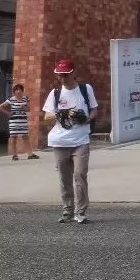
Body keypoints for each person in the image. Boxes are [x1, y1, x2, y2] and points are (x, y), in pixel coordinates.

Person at [41, 58, 98, 223]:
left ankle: (80, 211)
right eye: (59, 75)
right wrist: (62, 114)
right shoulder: (55, 93)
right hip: (60, 142)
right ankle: (67, 210)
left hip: (81, 140)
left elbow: (94, 110)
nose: (62, 78)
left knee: (80, 174)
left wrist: (87, 118)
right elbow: (46, 117)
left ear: (73, 73)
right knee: (64, 178)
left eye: (65, 74)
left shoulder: (85, 89)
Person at [0, 83, 36, 160]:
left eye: (20, 89)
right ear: (14, 91)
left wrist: (24, 107)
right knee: (14, 137)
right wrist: (8, 113)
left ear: (22, 91)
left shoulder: (26, 98)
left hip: (23, 121)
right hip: (14, 121)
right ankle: (14, 155)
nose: (18, 91)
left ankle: (30, 154)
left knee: (25, 137)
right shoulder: (11, 99)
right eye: (16, 90)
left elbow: (28, 109)